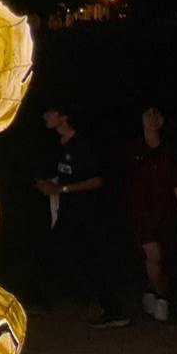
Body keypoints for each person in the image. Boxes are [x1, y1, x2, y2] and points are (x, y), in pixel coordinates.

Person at [34, 103, 129, 328]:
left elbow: (97, 180)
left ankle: (112, 309)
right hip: (68, 212)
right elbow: (62, 176)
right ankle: (60, 299)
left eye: (51, 112)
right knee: (62, 253)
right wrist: (48, 184)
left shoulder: (83, 144)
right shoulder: (58, 144)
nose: (46, 116)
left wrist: (62, 189)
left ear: (64, 116)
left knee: (92, 259)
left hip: (89, 213)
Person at [126, 104, 177, 322]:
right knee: (152, 255)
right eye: (148, 115)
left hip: (165, 211)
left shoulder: (170, 151)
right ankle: (162, 298)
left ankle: (155, 292)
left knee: (163, 258)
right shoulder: (135, 150)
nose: (152, 119)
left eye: (156, 115)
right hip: (142, 212)